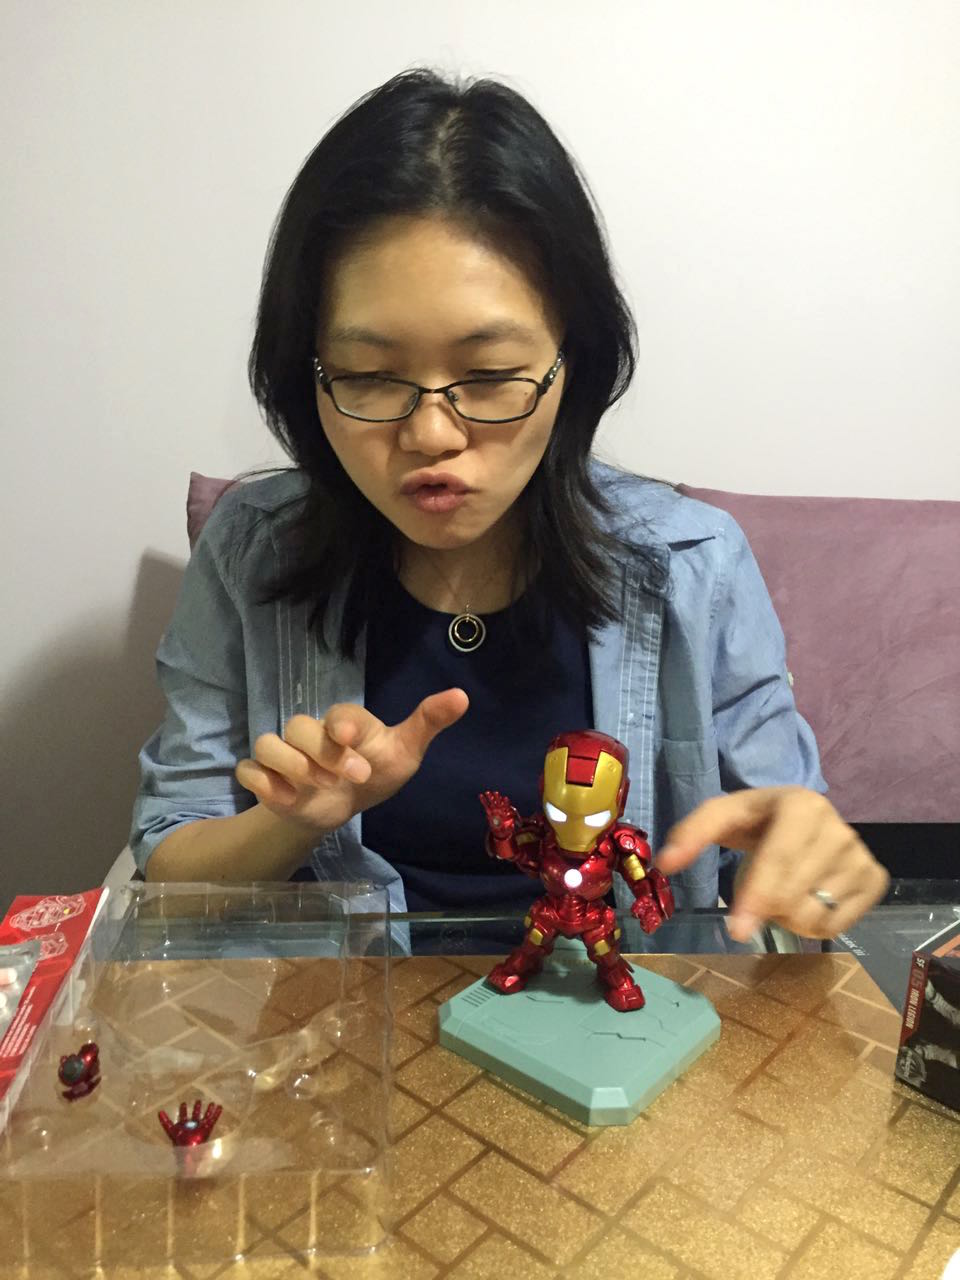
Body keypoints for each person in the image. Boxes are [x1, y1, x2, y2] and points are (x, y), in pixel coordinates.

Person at [130, 68, 889, 941]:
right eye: (370, 375)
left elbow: (795, 867)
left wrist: (813, 868)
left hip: (618, 1004)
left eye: (490, 375)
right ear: (309, 373)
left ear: (574, 362)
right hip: (350, 1011)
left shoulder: (696, 564)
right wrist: (291, 821)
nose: (431, 434)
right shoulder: (253, 551)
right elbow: (168, 862)